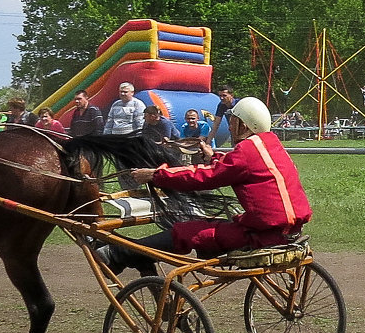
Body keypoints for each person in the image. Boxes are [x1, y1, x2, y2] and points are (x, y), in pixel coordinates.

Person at [97, 96, 311, 274]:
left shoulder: (246, 152)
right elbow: (234, 167)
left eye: (233, 120)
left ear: (244, 125)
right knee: (210, 224)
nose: (230, 125)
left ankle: (119, 254)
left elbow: (203, 177)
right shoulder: (271, 145)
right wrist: (213, 157)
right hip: (288, 230)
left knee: (186, 230)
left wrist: (156, 175)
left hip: (262, 235)